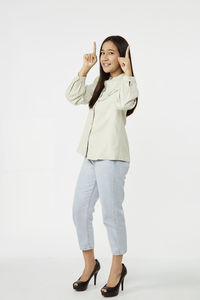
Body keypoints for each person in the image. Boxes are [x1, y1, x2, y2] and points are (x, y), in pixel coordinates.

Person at [65, 35, 139, 297]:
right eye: (103, 53)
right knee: (79, 211)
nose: (105, 58)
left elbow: (128, 103)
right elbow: (73, 96)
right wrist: (85, 69)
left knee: (111, 214)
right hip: (90, 156)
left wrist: (128, 73)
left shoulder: (125, 84)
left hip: (112, 158)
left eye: (111, 53)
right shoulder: (100, 83)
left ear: (122, 57)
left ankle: (117, 268)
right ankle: (90, 264)